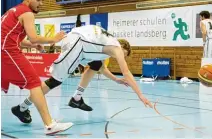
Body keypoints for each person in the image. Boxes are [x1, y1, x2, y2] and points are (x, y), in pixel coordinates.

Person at [12, 24, 153, 122]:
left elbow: (101, 68)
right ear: (122, 46)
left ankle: (77, 98)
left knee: (96, 64)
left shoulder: (106, 43)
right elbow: (127, 72)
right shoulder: (116, 47)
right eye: (123, 53)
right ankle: (22, 107)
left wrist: (116, 80)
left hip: (79, 42)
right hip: (77, 43)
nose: (120, 56)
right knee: (54, 81)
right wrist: (140, 95)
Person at [1, 0, 73, 135]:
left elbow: (14, 37)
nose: (40, 3)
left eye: (42, 0)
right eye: (37, 0)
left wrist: (33, 44)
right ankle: (49, 125)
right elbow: (33, 37)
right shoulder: (27, 13)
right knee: (34, 82)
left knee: (34, 83)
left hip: (5, 48)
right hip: (6, 51)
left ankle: (25, 111)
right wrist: (53, 39)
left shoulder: (13, 10)